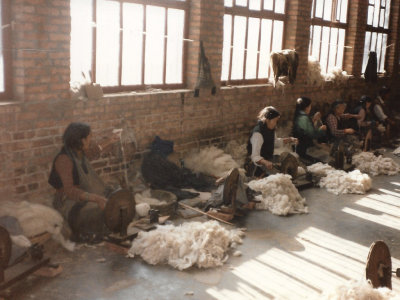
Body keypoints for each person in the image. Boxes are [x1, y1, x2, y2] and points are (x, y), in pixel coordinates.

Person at [48, 122, 120, 243]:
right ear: (81, 140)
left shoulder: (79, 152)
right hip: (69, 203)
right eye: (89, 137)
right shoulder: (64, 160)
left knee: (117, 200)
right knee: (101, 212)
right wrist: (97, 198)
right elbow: (70, 191)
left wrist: (109, 141)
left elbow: (94, 151)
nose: (90, 140)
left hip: (85, 197)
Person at [246, 106, 298, 177]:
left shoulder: (270, 129)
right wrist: (266, 162)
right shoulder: (258, 134)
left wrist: (290, 139)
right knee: (280, 176)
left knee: (289, 163)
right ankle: (258, 175)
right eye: (275, 121)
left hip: (268, 158)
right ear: (267, 120)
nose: (276, 124)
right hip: (256, 164)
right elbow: (255, 156)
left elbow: (275, 142)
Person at [292, 97, 327, 163]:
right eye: (310, 106)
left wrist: (314, 119)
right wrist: (321, 129)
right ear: (306, 107)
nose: (310, 107)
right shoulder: (303, 118)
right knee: (322, 161)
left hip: (300, 147)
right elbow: (312, 135)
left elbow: (305, 129)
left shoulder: (298, 114)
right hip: (304, 149)